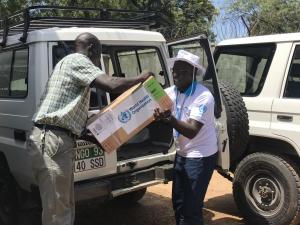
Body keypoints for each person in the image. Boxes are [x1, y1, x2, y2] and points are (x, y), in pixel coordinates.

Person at [27, 32, 152, 225]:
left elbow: (68, 112)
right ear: (92, 49)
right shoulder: (78, 60)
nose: (97, 62)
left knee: (64, 206)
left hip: (55, 139)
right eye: (98, 56)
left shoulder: (67, 63)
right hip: (53, 140)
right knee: (57, 213)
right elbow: (111, 85)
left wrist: (99, 137)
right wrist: (141, 78)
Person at [154, 50, 218, 225]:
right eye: (175, 71)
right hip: (182, 154)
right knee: (179, 203)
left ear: (193, 73)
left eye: (182, 72)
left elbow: (191, 131)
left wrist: (170, 120)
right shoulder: (171, 92)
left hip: (200, 157)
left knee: (191, 209)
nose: (176, 76)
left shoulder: (203, 96)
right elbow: (147, 102)